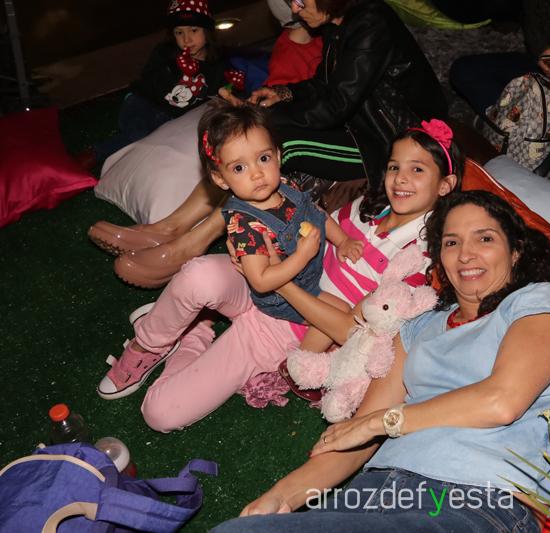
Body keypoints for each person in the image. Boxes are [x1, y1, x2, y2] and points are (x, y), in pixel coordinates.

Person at [210, 190, 550, 532]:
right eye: (451, 242)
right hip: (372, 493)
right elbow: (355, 442)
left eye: (484, 238)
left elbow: (502, 401)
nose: (466, 254)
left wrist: (382, 422)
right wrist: (281, 497)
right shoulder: (419, 326)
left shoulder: (539, 302)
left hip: (476, 500)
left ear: (516, 250)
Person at [102, 120, 462, 432]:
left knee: (160, 413)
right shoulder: (366, 207)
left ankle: (194, 333)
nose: (400, 178)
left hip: (285, 328)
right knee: (199, 274)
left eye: (417, 170)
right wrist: (261, 250)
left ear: (445, 184)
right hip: (269, 278)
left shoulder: (419, 260)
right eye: (394, 166)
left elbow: (353, 334)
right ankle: (148, 345)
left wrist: (282, 283)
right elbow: (314, 225)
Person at [87, 0, 448, 288]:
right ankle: (168, 227)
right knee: (250, 138)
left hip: (388, 145)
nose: (295, 9)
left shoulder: (371, 23)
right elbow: (325, 85)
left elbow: (337, 103)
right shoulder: (340, 25)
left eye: (300, 0)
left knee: (274, 148)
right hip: (359, 126)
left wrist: (266, 121)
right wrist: (282, 93)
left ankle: (189, 245)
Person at [96, 102, 358, 400]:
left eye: (263, 159)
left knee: (341, 316)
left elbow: (316, 214)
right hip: (277, 298)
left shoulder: (287, 187)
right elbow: (261, 281)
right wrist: (302, 255)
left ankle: (189, 323)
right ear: (220, 179)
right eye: (239, 168)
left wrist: (342, 240)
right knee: (338, 315)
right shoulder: (244, 224)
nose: (257, 174)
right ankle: (295, 367)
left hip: (303, 280)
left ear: (278, 156)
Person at [78, 0, 228, 170]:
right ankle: (94, 153)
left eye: (194, 30)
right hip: (143, 103)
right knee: (138, 136)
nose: (187, 39)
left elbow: (216, 93)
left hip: (170, 118)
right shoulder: (165, 52)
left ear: (207, 31)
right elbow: (150, 81)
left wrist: (230, 86)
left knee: (163, 147)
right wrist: (176, 70)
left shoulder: (215, 63)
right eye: (179, 32)